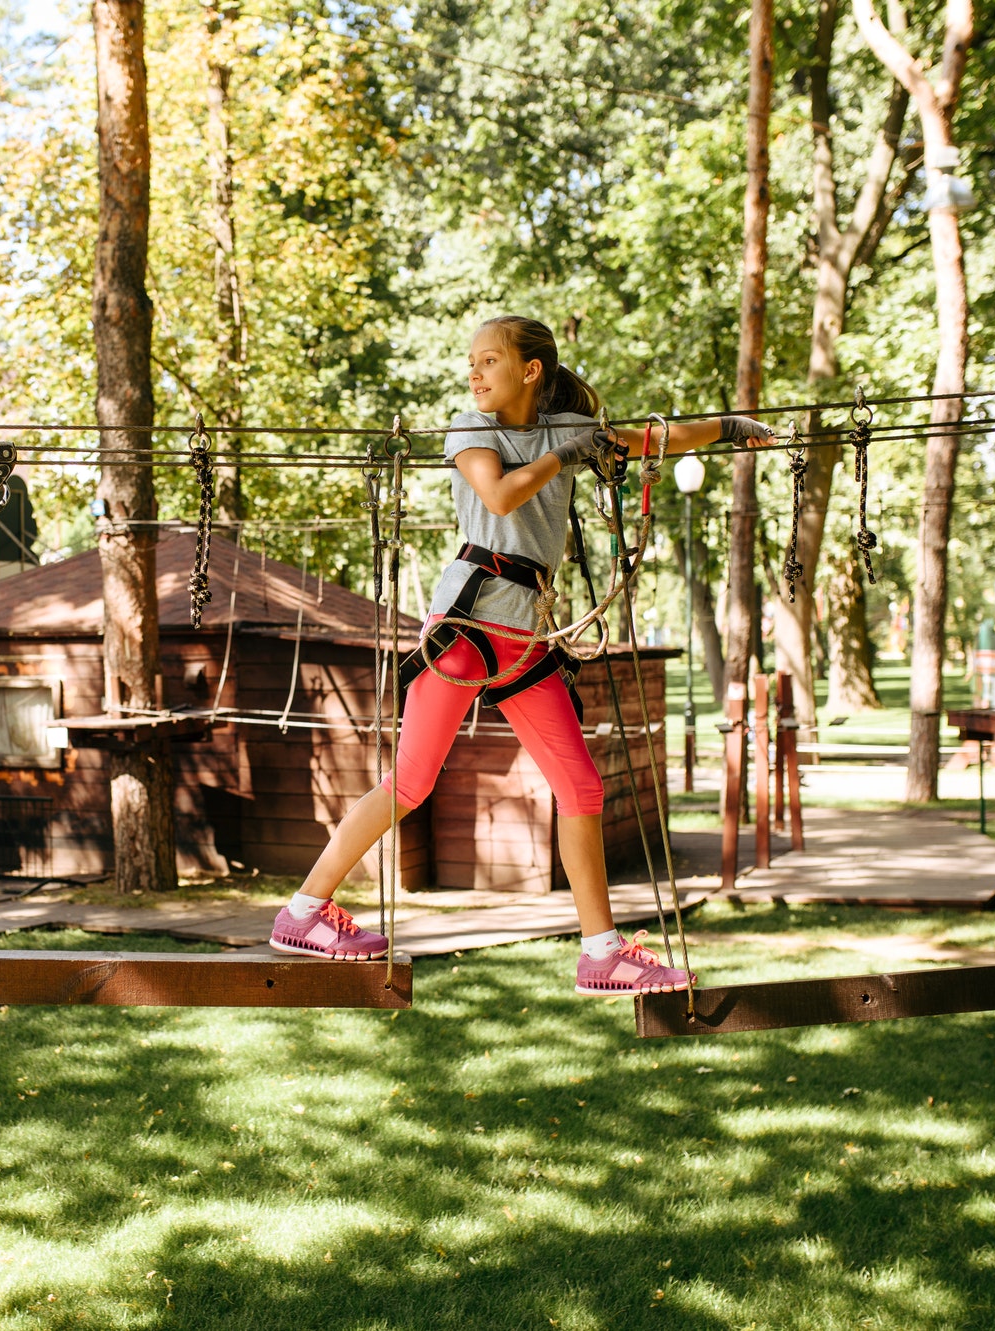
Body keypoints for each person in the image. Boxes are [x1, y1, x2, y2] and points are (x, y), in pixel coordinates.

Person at [269, 315, 772, 995]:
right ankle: (302, 911)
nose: (474, 373)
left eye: (490, 360)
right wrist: (566, 455)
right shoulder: (471, 428)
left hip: (526, 636)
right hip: (471, 623)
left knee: (581, 787)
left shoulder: (565, 428)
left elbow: (655, 436)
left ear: (530, 370)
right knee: (411, 784)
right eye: (472, 361)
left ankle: (602, 952)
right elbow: (501, 492)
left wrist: (732, 429)